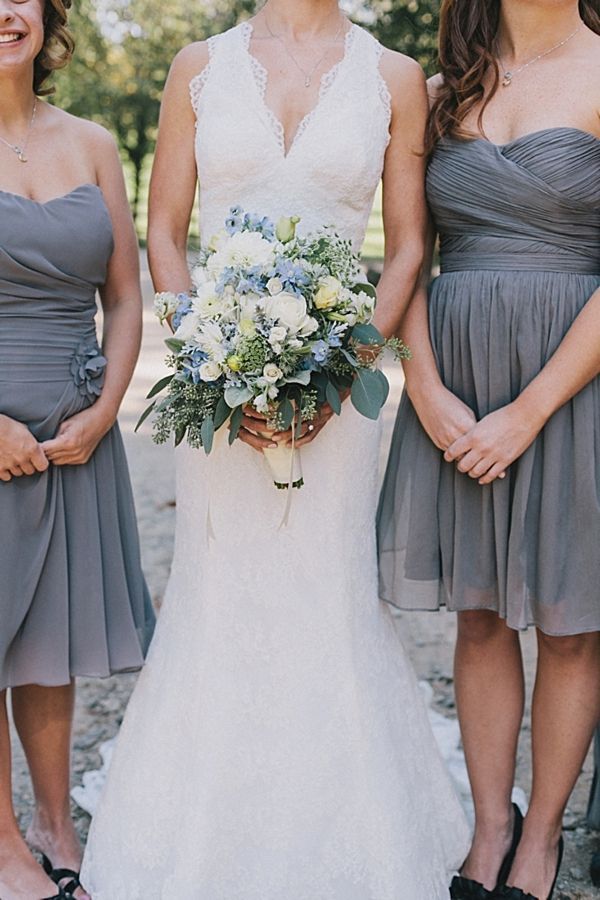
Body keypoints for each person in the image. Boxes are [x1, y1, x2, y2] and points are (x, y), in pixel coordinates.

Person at [80, 1, 471, 897]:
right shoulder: (197, 66)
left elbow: (411, 248)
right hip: (223, 384)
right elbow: (166, 232)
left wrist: (343, 375)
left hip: (343, 387)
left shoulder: (394, 77)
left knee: (325, 590)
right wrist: (213, 365)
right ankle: (199, 818)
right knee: (219, 589)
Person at [377, 1, 600, 898]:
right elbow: (407, 255)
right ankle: (490, 825)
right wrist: (425, 389)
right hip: (455, 383)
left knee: (573, 623)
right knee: (477, 612)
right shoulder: (434, 92)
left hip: (573, 383)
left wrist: (531, 409)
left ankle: (541, 839)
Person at [0, 0, 155, 898]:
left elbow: (126, 299)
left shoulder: (94, 143)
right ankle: (5, 844)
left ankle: (58, 823)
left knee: (48, 644)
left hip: (74, 433)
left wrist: (105, 410)